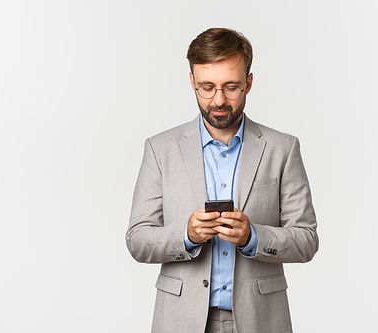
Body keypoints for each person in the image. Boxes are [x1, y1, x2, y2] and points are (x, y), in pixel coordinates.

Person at [126, 27, 319, 333]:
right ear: (192, 82)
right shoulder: (160, 148)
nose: (219, 100)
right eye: (206, 87)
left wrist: (252, 237)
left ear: (249, 83)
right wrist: (186, 235)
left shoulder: (283, 148)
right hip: (180, 319)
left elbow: (306, 241)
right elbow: (137, 240)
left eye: (231, 87)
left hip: (261, 319)